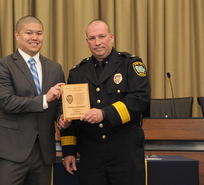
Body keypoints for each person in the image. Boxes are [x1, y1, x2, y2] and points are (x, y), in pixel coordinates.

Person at [60, 19, 151, 185]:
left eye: (101, 36)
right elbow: (70, 114)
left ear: (111, 37)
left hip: (124, 149)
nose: (97, 42)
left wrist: (104, 114)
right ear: (87, 42)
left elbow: (140, 98)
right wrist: (69, 151)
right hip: (91, 152)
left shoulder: (130, 64)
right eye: (92, 38)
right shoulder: (77, 72)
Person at [0, 15, 70, 185]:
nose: (34, 38)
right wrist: (45, 98)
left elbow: (59, 104)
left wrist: (62, 120)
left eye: (39, 33)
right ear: (17, 35)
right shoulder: (2, 65)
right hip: (12, 150)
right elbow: (7, 102)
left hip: (44, 150)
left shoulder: (55, 68)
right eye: (29, 32)